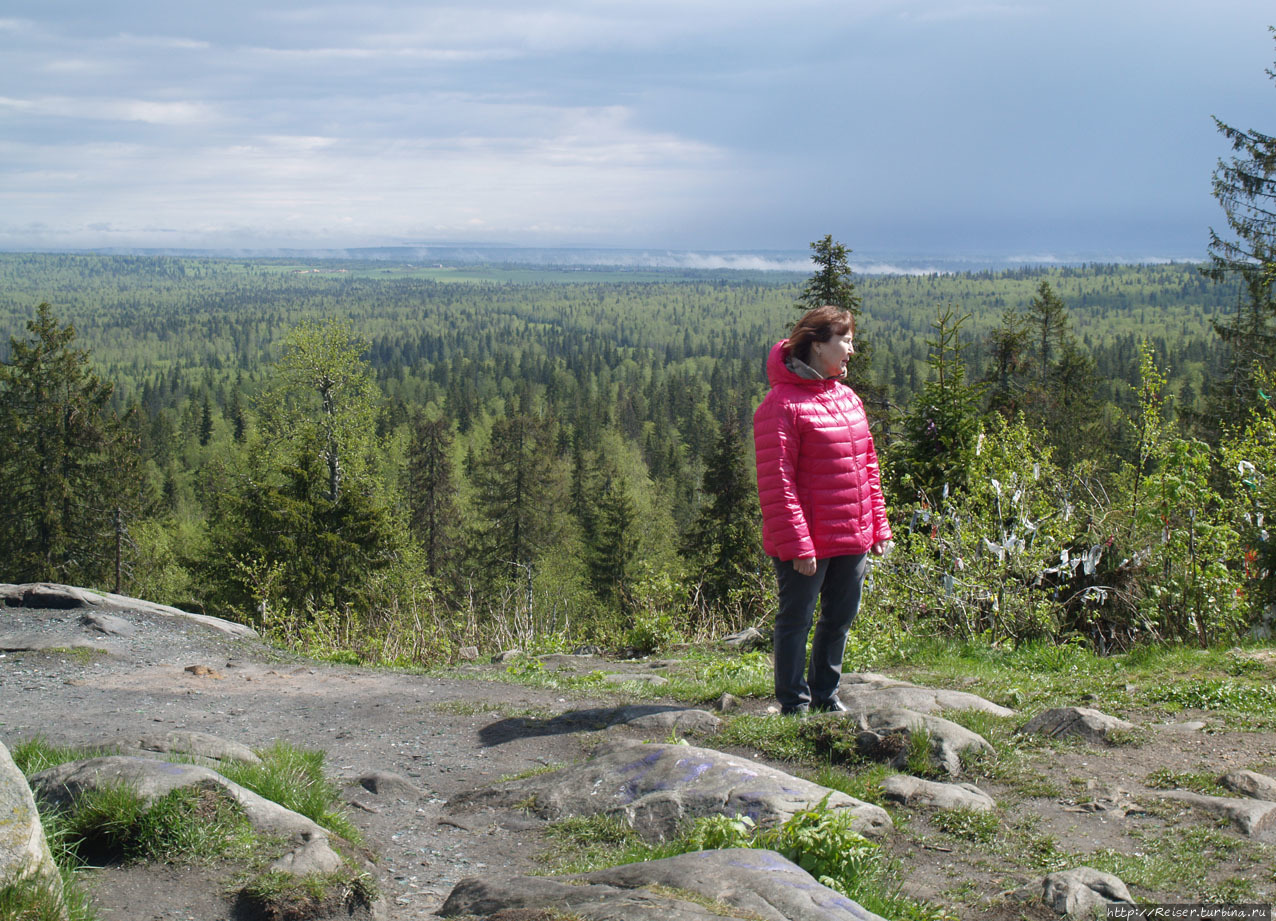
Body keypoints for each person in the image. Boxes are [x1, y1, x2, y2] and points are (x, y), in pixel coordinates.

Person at [753, 305, 892, 715]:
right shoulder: (780, 406)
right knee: (796, 620)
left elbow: (868, 466)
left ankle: (825, 697)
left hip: (853, 535)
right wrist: (799, 545)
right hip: (808, 540)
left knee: (839, 619)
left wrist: (878, 527)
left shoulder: (848, 399)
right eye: (845, 341)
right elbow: (776, 483)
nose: (851, 350)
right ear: (817, 345)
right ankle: (793, 704)